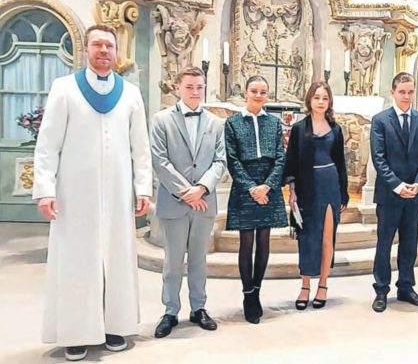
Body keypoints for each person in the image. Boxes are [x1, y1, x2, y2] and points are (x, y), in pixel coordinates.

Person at [33, 24, 152, 361]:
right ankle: (76, 331)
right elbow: (47, 144)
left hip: (117, 195)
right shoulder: (64, 88)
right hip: (74, 193)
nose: (104, 51)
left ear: (117, 52)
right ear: (86, 49)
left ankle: (116, 326)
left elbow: (140, 148)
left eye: (110, 46)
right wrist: (45, 189)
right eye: (97, 45)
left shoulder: (130, 93)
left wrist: (142, 187)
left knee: (117, 260)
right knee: (76, 261)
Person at [150, 67, 226, 338]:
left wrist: (202, 188)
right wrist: (186, 192)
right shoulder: (161, 120)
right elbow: (160, 161)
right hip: (174, 202)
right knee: (172, 261)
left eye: (200, 87)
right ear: (178, 89)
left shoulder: (216, 123)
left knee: (199, 259)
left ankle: (198, 308)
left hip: (204, 202)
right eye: (190, 87)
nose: (195, 92)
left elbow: (220, 160)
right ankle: (170, 310)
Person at [224, 75, 287, 324]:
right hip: (245, 186)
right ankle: (247, 294)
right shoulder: (233, 123)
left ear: (267, 95)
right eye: (254, 91)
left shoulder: (274, 122)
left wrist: (268, 186)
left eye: (263, 92)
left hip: (268, 186)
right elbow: (232, 159)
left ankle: (257, 292)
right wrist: (252, 188)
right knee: (246, 243)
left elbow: (281, 158)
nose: (258, 96)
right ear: (246, 93)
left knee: (264, 241)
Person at [370, 72, 418, 313]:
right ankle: (381, 290)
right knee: (384, 243)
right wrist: (398, 185)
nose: (407, 96)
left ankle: (406, 287)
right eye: (402, 92)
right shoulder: (380, 120)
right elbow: (379, 159)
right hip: (390, 194)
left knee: (409, 243)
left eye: (410, 91)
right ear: (393, 93)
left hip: (414, 194)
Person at [283, 81, 349, 310]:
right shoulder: (299, 128)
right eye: (317, 97)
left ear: (329, 102)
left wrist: (344, 193)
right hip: (306, 187)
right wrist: (292, 192)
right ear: (309, 100)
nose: (321, 101)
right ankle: (304, 285)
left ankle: (323, 285)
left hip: (330, 185)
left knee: (327, 238)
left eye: (325, 98)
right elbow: (290, 161)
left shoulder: (336, 129)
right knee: (307, 238)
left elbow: (341, 164)